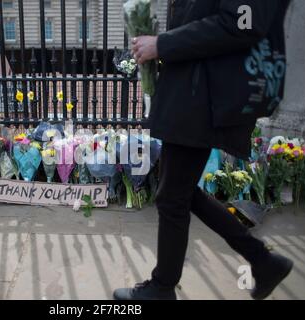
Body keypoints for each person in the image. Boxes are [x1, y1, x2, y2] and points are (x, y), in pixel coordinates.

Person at [114, 0, 293, 300]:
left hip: (203, 98)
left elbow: (243, 21)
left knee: (173, 197)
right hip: (195, 91)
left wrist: (164, 44)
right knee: (179, 193)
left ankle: (163, 287)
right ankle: (263, 261)